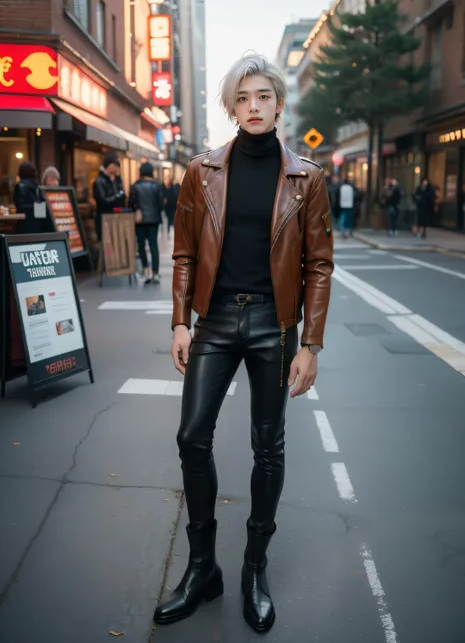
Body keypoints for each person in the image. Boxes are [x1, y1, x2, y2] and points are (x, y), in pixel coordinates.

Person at [153, 53, 334, 633]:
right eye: (243, 97)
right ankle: (202, 568)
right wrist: (181, 322)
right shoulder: (201, 172)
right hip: (215, 324)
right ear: (232, 106)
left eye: (263, 96)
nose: (253, 107)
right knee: (191, 436)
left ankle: (254, 567)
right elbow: (182, 251)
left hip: (273, 327)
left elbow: (320, 266)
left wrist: (311, 343)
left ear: (279, 104)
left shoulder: (307, 178)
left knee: (268, 446)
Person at [129, 162, 165, 284]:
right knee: (153, 245)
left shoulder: (135, 186)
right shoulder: (158, 186)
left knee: (141, 246)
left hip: (140, 220)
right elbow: (161, 204)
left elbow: (131, 204)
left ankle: (146, 270)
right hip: (154, 219)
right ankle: (155, 272)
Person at [92, 152, 126, 240]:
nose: (116, 168)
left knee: (117, 242)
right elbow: (103, 200)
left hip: (117, 216)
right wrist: (118, 195)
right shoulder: (100, 181)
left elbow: (122, 196)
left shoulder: (118, 179)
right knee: (107, 245)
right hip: (105, 218)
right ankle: (108, 254)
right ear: (110, 165)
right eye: (115, 165)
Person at [14, 161, 47, 234]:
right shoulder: (37, 187)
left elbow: (19, 206)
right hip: (38, 227)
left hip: (24, 226)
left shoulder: (19, 186)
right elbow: (41, 208)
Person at [161, 173, 180, 238]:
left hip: (171, 206)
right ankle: (169, 231)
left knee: (171, 220)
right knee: (170, 219)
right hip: (169, 207)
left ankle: (170, 231)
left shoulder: (173, 188)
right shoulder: (163, 187)